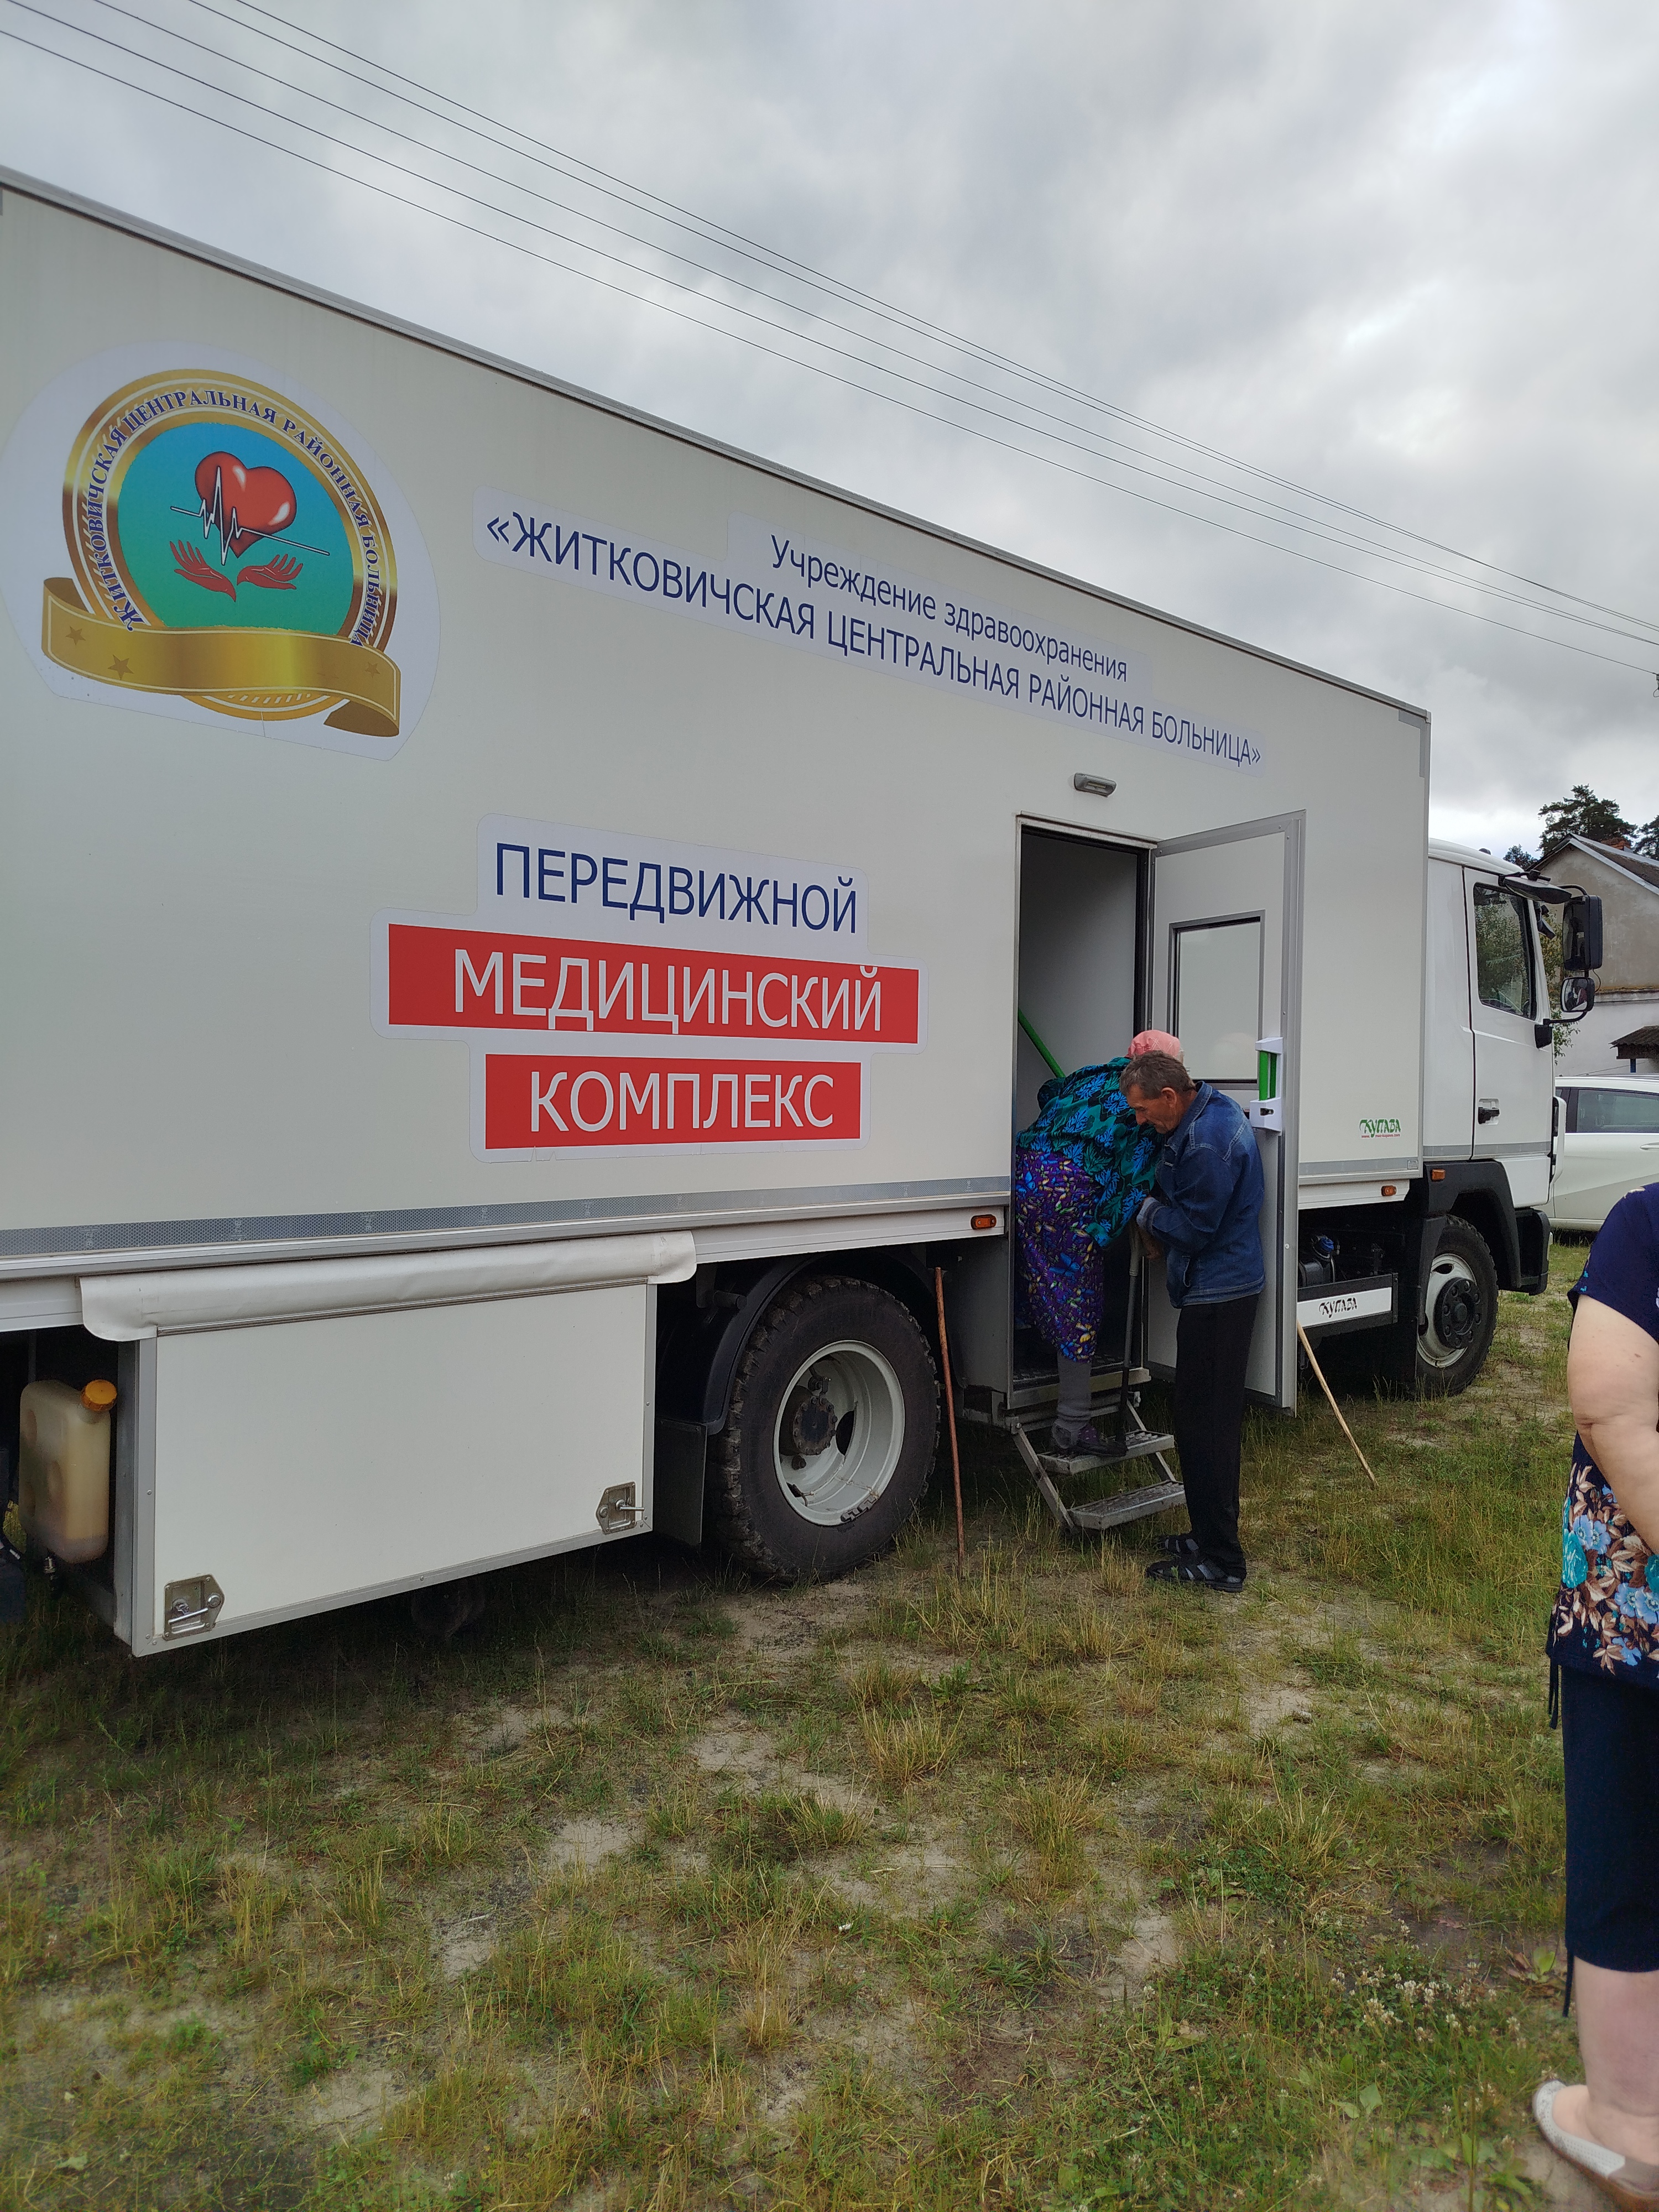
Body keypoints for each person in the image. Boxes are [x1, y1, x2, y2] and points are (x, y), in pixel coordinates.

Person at [1533, 1190, 1659, 2205]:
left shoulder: (1648, 1225)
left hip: (1636, 1629)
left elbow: (1609, 1408)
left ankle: (1628, 2124)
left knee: (1627, 1853)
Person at [1120, 1048, 1264, 1593]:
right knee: (1196, 1419)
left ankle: (1222, 1561)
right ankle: (1204, 1535)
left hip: (1220, 1296)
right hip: (1215, 1289)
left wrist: (1145, 1209)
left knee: (1210, 1428)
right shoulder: (1204, 1112)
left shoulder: (1207, 1141)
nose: (1141, 1121)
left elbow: (1196, 1230)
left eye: (1143, 1110)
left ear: (1169, 1096)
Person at [1013, 1037, 1176, 1454]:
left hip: (1024, 1169)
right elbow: (1135, 1180)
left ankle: (1038, 1348)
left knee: (1038, 1275)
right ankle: (1072, 1426)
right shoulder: (1144, 1104)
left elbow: (1049, 1091)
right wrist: (1132, 1230)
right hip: (1066, 1192)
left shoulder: (1092, 1074)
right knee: (1079, 1296)